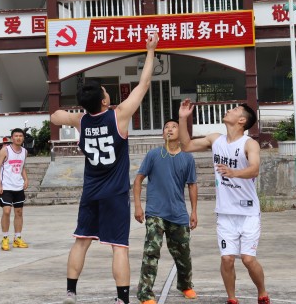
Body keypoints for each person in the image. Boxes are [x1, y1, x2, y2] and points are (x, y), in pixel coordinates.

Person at [50, 32, 159, 304]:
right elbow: (144, 84)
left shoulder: (81, 121)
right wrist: (150, 51)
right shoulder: (118, 116)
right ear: (104, 101)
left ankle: (71, 293)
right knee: (119, 247)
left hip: (91, 192)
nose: (109, 94)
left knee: (81, 241)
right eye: (106, 93)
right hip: (115, 194)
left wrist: (76, 113)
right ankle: (122, 299)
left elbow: (55, 116)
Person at [178, 98, 270, 304]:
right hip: (225, 213)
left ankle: (262, 292)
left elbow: (254, 169)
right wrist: (183, 119)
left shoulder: (249, 143)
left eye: (235, 110)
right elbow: (186, 146)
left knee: (248, 259)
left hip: (248, 213)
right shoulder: (215, 140)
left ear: (242, 120)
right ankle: (232, 299)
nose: (229, 110)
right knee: (227, 259)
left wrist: (234, 172)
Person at [133, 119, 198, 304]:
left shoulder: (187, 158)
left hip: (178, 213)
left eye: (174, 127)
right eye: (166, 128)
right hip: (155, 213)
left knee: (183, 253)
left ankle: (185, 285)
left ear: (180, 133)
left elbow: (192, 185)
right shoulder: (154, 155)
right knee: (151, 251)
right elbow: (138, 180)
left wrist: (194, 212)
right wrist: (138, 206)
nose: (170, 129)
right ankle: (145, 293)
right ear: (163, 134)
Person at [0, 127, 29, 251]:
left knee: (19, 212)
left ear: (23, 138)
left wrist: (26, 179)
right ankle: (5, 238)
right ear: (12, 138)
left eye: (20, 136)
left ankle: (17, 238)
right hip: (6, 186)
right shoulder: (5, 150)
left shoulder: (24, 152)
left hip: (18, 186)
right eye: (16, 136)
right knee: (7, 211)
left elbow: (22, 167)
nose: (18, 138)